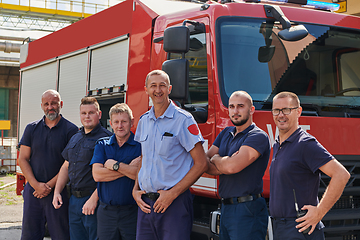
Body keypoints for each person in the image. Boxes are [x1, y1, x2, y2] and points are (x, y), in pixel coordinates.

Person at [132, 70, 208, 240]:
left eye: (162, 86)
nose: (158, 90)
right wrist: (135, 189)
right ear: (146, 89)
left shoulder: (183, 119)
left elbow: (201, 163)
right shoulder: (144, 120)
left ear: (170, 89)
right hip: (145, 204)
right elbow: (144, 158)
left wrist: (172, 194)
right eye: (153, 86)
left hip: (173, 204)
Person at [269, 91, 350, 239]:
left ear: (298, 111)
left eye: (286, 110)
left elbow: (342, 174)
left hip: (299, 229)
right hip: (281, 228)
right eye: (276, 110)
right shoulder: (278, 145)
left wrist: (319, 212)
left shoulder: (305, 144)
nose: (281, 115)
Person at [206, 91, 270, 240]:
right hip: (226, 208)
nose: (235, 111)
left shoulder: (257, 136)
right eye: (232, 106)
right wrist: (224, 160)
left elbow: (232, 168)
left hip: (247, 209)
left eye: (240, 106)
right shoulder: (225, 133)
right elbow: (205, 163)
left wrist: (218, 160)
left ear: (251, 109)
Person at [18, 89, 78, 240]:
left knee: (61, 236)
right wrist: (35, 185)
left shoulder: (71, 130)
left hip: (59, 193)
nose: (50, 107)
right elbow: (23, 159)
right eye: (46, 104)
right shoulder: (31, 128)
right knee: (29, 236)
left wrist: (48, 186)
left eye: (54, 103)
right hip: (33, 193)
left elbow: (69, 163)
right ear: (42, 106)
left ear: (61, 104)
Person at [52, 97, 112, 240]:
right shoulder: (75, 137)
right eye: (83, 113)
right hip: (73, 200)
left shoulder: (107, 139)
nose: (87, 116)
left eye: (91, 112)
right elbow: (66, 166)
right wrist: (56, 192)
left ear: (99, 114)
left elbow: (110, 174)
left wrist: (93, 199)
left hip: (95, 201)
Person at [90, 103, 141, 240]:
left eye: (124, 121)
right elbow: (97, 175)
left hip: (132, 212)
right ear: (110, 124)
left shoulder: (140, 146)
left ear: (132, 122)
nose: (120, 126)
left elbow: (140, 175)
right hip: (107, 213)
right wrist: (129, 168)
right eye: (116, 122)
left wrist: (115, 165)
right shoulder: (102, 145)